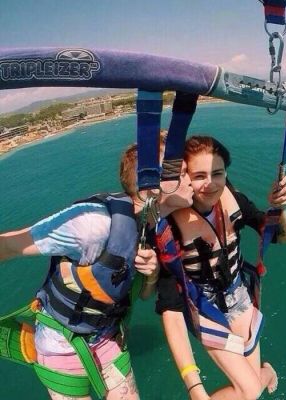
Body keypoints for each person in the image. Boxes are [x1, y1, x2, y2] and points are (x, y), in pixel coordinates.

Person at [0, 132, 193, 400]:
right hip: (58, 344)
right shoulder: (93, 224)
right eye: (181, 173)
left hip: (107, 337)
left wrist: (152, 274)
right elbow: (10, 246)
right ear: (151, 184)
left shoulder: (153, 228)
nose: (191, 179)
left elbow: (143, 295)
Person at [155, 135, 286, 400]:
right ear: (185, 177)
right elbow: (170, 307)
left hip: (239, 296)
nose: (210, 183)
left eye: (217, 173)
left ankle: (265, 373)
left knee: (252, 392)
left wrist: (281, 209)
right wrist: (194, 386)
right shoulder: (169, 227)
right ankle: (263, 375)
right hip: (205, 307)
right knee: (248, 391)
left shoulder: (234, 201)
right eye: (199, 176)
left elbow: (282, 237)